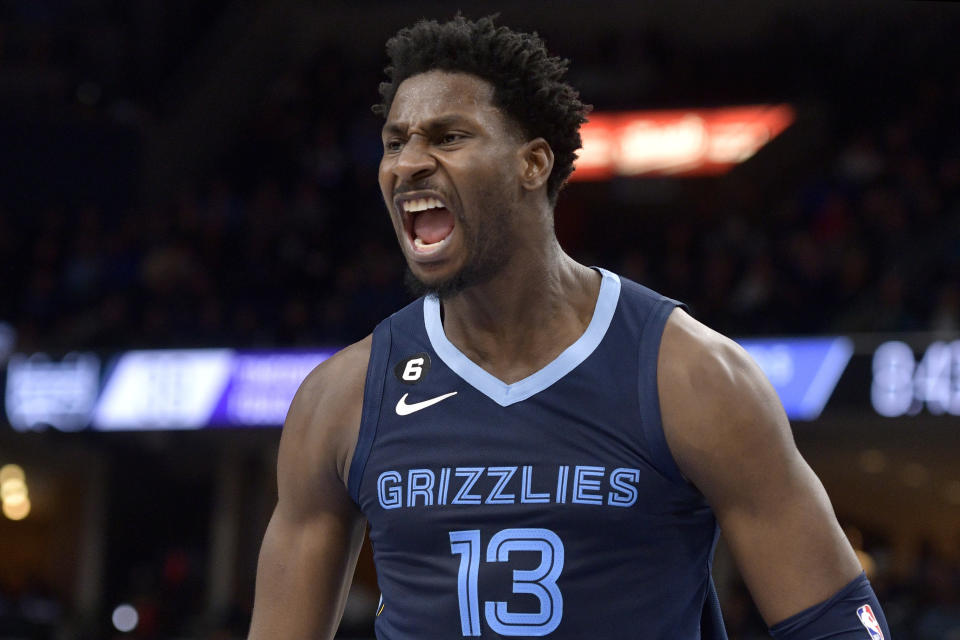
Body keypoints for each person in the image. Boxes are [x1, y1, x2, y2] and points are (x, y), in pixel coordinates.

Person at [247, 15, 890, 640]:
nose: (407, 163)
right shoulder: (340, 398)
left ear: (533, 164)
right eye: (395, 141)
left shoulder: (689, 374)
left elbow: (835, 624)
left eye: (447, 137)